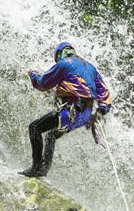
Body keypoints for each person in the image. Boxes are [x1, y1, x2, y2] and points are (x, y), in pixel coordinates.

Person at [19, 41, 112, 177]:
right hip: (84, 116)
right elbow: (104, 94)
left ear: (59, 54)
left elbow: (43, 83)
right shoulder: (91, 68)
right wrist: (100, 111)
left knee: (35, 127)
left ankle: (35, 169)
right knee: (51, 136)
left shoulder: (64, 64)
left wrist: (33, 75)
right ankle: (43, 170)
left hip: (70, 112)